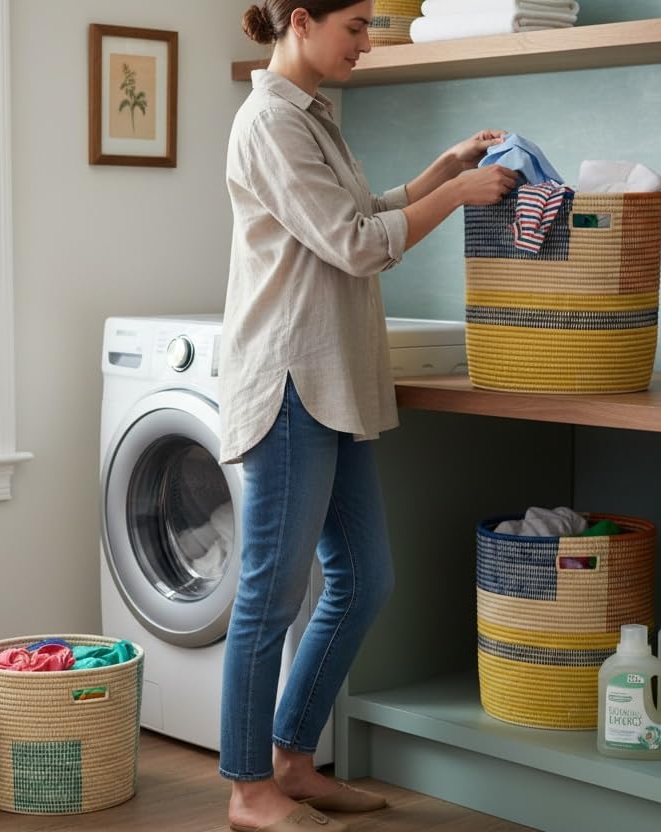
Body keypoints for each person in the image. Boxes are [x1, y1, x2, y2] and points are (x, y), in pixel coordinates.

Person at [219, 2, 517, 830]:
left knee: (364, 578)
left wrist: (436, 170)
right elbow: (356, 245)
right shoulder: (271, 122)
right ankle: (248, 791)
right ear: (302, 22)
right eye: (355, 26)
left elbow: (357, 214)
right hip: (289, 382)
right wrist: (456, 194)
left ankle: (292, 760)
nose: (366, 42)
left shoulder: (311, 114)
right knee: (267, 598)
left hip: (332, 381)